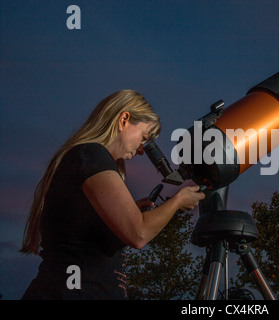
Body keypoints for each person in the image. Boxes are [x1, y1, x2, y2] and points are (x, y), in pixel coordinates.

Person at [20, 89, 205, 299]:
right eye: (144, 137)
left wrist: (129, 210)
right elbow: (139, 233)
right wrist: (178, 201)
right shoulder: (91, 156)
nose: (141, 150)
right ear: (124, 119)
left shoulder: (87, 158)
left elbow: (84, 227)